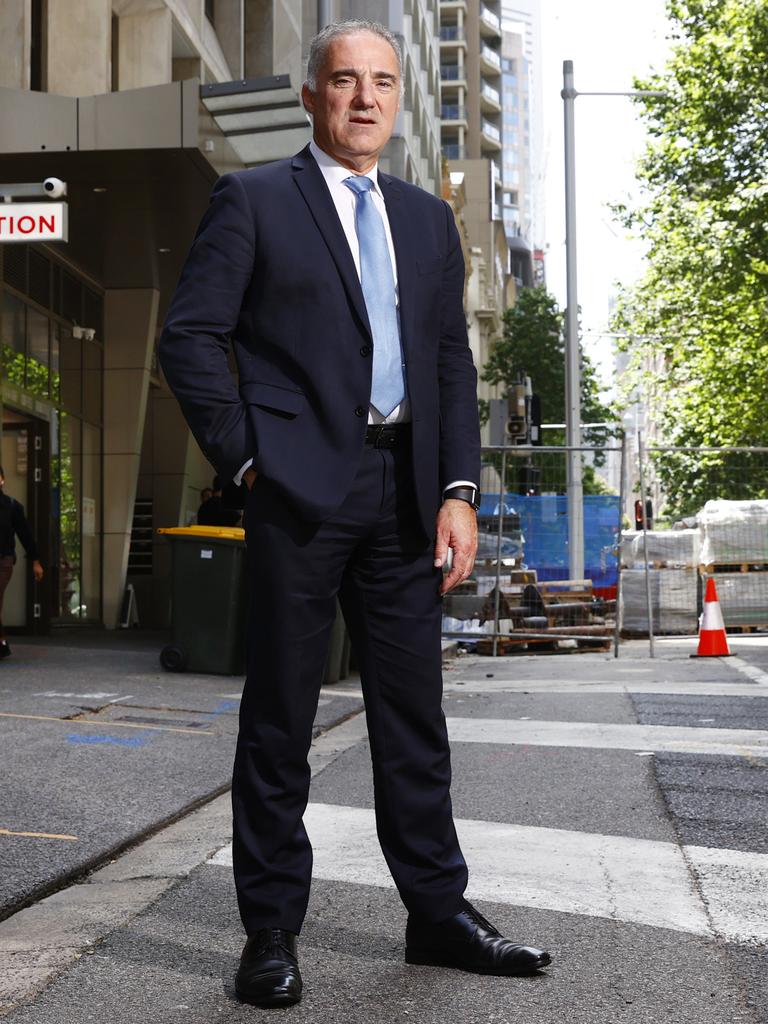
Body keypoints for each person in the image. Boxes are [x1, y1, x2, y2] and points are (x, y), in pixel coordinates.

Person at [159, 20, 551, 1008]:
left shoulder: (426, 220)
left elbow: (451, 364)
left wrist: (460, 490)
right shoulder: (252, 201)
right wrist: (249, 459)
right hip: (297, 493)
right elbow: (192, 338)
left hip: (409, 497)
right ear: (312, 95)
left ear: (397, 99)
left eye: (382, 82)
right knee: (282, 715)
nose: (367, 97)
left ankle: (438, 914)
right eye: (346, 81)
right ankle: (271, 933)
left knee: (414, 716)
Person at [0, 466, 44, 658]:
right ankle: (1, 642)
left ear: (2, 480)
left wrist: (35, 560)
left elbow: (25, 534)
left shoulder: (12, 506)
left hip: (3, 563)